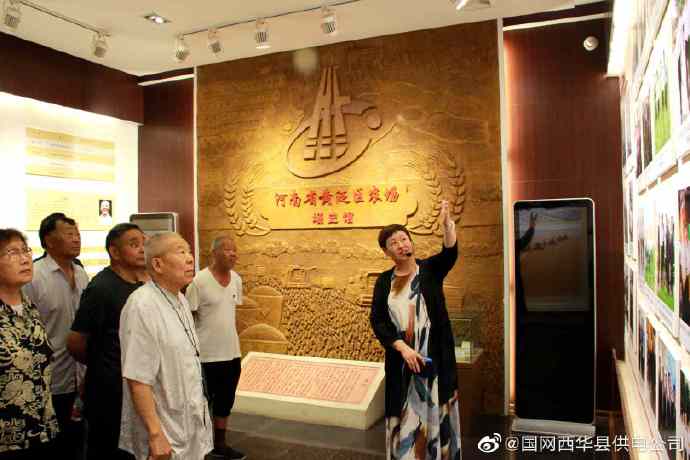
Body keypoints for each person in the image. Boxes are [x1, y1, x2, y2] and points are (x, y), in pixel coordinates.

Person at [370, 200, 461, 460]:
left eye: (404, 239)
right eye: (394, 243)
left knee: (435, 409)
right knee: (405, 413)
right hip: (402, 362)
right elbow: (378, 320)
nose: (401, 245)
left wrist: (447, 226)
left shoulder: (430, 270)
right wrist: (402, 348)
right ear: (386, 252)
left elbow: (449, 254)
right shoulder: (384, 281)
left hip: (434, 359)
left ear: (411, 242)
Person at [119, 232, 212, 460]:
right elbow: (138, 377)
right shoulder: (142, 305)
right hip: (163, 431)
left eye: (189, 251)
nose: (190, 258)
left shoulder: (180, 299)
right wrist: (155, 433)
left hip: (188, 422)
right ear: (158, 264)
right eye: (181, 252)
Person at [67, 223, 149, 460]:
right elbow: (75, 341)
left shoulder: (143, 285)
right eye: (134, 244)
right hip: (108, 388)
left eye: (144, 243)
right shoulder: (101, 288)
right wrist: (102, 362)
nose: (142, 249)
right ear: (115, 252)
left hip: (134, 382)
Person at [23, 213, 88, 459]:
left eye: (77, 234)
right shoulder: (34, 276)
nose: (76, 239)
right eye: (69, 234)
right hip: (49, 379)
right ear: (49, 241)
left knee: (77, 443)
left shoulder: (81, 273)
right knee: (51, 448)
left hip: (79, 377)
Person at [0, 229, 59, 459]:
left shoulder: (30, 307)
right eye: (12, 252)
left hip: (41, 431)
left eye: (25, 250)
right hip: (6, 440)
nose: (25, 258)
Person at [185, 236, 245, 460]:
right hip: (206, 355)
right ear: (214, 253)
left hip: (232, 353)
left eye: (235, 250)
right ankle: (200, 447)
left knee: (225, 401)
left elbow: (232, 313)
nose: (233, 254)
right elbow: (188, 317)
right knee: (201, 403)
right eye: (227, 249)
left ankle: (220, 444)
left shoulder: (236, 279)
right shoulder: (199, 282)